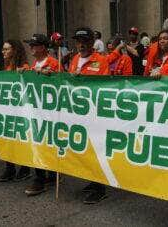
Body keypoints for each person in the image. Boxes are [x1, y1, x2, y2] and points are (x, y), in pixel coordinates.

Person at [68, 27, 110, 204]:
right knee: (84, 149)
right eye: (78, 41)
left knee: (96, 150)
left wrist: (83, 79)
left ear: (92, 43)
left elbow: (105, 86)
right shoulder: (75, 59)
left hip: (94, 114)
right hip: (77, 114)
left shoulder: (101, 61)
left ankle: (100, 188)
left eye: (85, 41)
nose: (81, 44)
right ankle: (93, 181)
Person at [23, 34, 61, 196]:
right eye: (30, 44)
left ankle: (46, 176)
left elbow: (59, 82)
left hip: (49, 111)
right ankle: (43, 175)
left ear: (43, 47)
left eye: (34, 44)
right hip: (36, 110)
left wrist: (47, 73)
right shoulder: (35, 64)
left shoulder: (53, 63)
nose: (31, 47)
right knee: (38, 141)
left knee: (46, 141)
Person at [0, 39, 31, 182]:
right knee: (7, 140)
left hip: (20, 111)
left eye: (7, 49)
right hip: (8, 110)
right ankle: (9, 167)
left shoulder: (24, 67)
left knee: (21, 139)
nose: (3, 52)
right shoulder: (6, 68)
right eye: (3, 49)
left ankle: (25, 168)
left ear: (15, 51)